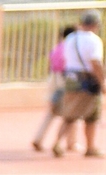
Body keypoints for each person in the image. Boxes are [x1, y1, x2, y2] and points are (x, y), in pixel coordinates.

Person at [55, 12, 102, 159]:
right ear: (95, 25)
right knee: (92, 115)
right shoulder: (94, 41)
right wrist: (102, 81)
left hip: (71, 78)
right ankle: (90, 147)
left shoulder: (70, 38)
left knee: (70, 114)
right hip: (87, 80)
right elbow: (95, 63)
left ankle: (58, 142)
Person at [31, 25, 75, 154]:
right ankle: (70, 142)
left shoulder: (57, 48)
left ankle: (39, 137)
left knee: (51, 112)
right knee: (72, 112)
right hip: (64, 81)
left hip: (53, 80)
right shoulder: (70, 48)